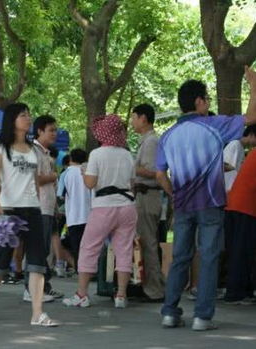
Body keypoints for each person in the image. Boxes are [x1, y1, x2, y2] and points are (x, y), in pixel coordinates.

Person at [156, 66, 256, 331]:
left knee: (180, 257)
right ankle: (202, 317)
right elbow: (252, 116)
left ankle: (169, 312)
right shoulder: (213, 126)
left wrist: (173, 193)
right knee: (209, 257)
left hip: (183, 205)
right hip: (211, 203)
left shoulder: (168, 136)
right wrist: (253, 86)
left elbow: (159, 174)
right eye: (207, 99)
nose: (209, 103)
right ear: (199, 102)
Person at [0, 103, 59, 327]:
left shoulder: (33, 149)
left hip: (33, 209)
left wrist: (44, 204)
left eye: (29, 114)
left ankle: (37, 313)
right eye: (23, 115)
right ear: (12, 119)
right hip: (8, 209)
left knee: (36, 263)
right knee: (1, 262)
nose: (28, 118)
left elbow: (34, 180)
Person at [63, 114, 137, 309]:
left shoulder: (96, 154)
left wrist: (84, 172)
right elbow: (132, 183)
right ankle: (121, 295)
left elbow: (90, 183)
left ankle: (81, 294)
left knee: (89, 248)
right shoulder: (128, 154)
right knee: (124, 249)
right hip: (127, 206)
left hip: (104, 206)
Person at [25, 115, 63, 300]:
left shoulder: (46, 153)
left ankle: (43, 287)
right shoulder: (33, 151)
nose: (55, 134)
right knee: (37, 249)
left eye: (55, 130)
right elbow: (34, 179)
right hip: (37, 207)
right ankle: (30, 290)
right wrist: (53, 177)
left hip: (47, 207)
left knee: (44, 249)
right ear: (39, 131)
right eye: (51, 130)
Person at [130, 103, 165, 302]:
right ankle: (153, 284)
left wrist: (132, 168)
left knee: (149, 243)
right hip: (144, 196)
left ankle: (155, 290)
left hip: (148, 194)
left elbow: (155, 173)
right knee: (146, 242)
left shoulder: (151, 141)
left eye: (134, 117)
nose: (133, 122)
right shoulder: (146, 141)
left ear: (143, 118)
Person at [224, 148, 256, 304]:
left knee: (237, 250)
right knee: (242, 251)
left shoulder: (253, 152)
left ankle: (242, 289)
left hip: (234, 205)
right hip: (246, 207)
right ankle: (236, 292)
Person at [60, 148, 91, 272]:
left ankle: (81, 270)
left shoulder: (66, 173)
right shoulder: (90, 171)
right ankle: (91, 270)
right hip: (91, 215)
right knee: (90, 246)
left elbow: (61, 194)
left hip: (74, 216)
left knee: (77, 246)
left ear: (71, 159)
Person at [223, 125, 256, 191]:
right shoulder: (235, 144)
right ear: (251, 134)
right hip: (228, 188)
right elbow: (229, 170)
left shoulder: (241, 148)